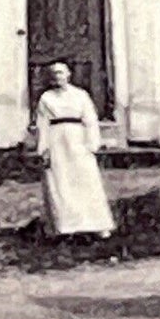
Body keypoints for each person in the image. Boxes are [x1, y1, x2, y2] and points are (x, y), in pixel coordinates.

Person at [34, 61, 115, 239]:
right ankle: (65, 225)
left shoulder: (80, 95)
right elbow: (42, 125)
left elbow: (90, 120)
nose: (58, 77)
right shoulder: (47, 98)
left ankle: (98, 224)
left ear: (68, 75)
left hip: (78, 140)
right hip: (56, 140)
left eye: (61, 73)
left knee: (86, 178)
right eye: (54, 73)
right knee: (61, 180)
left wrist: (92, 143)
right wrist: (44, 149)